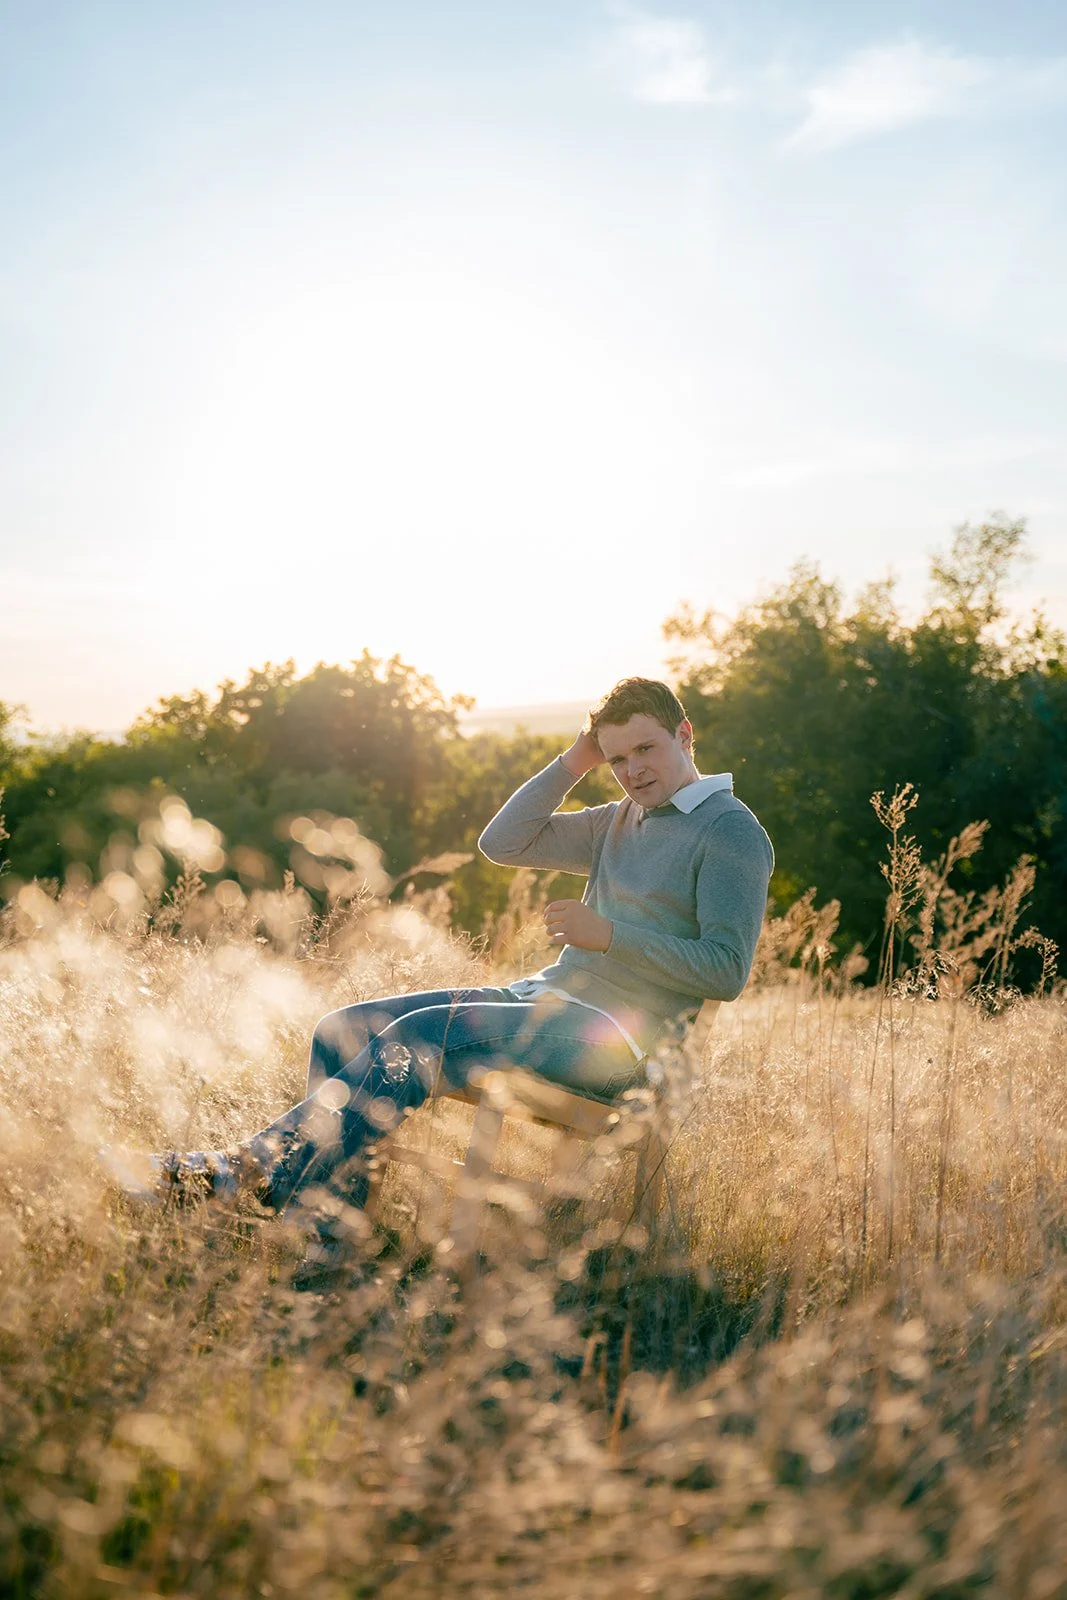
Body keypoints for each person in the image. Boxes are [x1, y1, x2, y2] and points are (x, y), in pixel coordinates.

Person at [107, 678, 773, 1213]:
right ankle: (327, 1230)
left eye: (646, 750)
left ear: (685, 734)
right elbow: (502, 843)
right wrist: (574, 761)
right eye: (617, 757)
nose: (631, 770)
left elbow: (724, 970)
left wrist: (611, 936)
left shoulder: (728, 833)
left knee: (421, 1033)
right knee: (344, 1027)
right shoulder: (619, 818)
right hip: (546, 1002)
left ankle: (247, 1172)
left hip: (624, 1045)